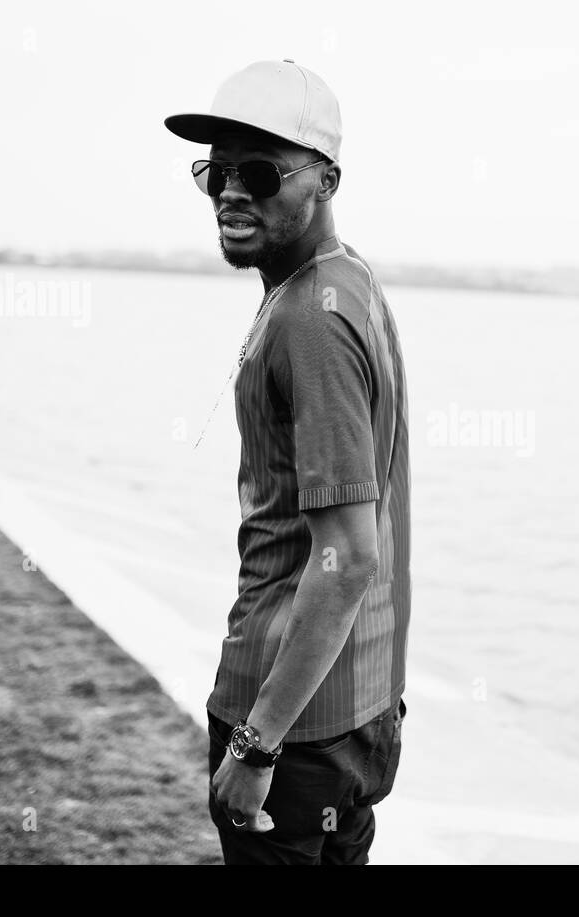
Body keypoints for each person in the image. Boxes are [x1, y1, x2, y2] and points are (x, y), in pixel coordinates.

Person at [165, 59, 411, 864]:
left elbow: (346, 558)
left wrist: (256, 745)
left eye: (263, 171)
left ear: (326, 179)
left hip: (295, 731)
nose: (235, 192)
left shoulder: (313, 316)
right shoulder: (347, 281)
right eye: (219, 172)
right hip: (350, 705)